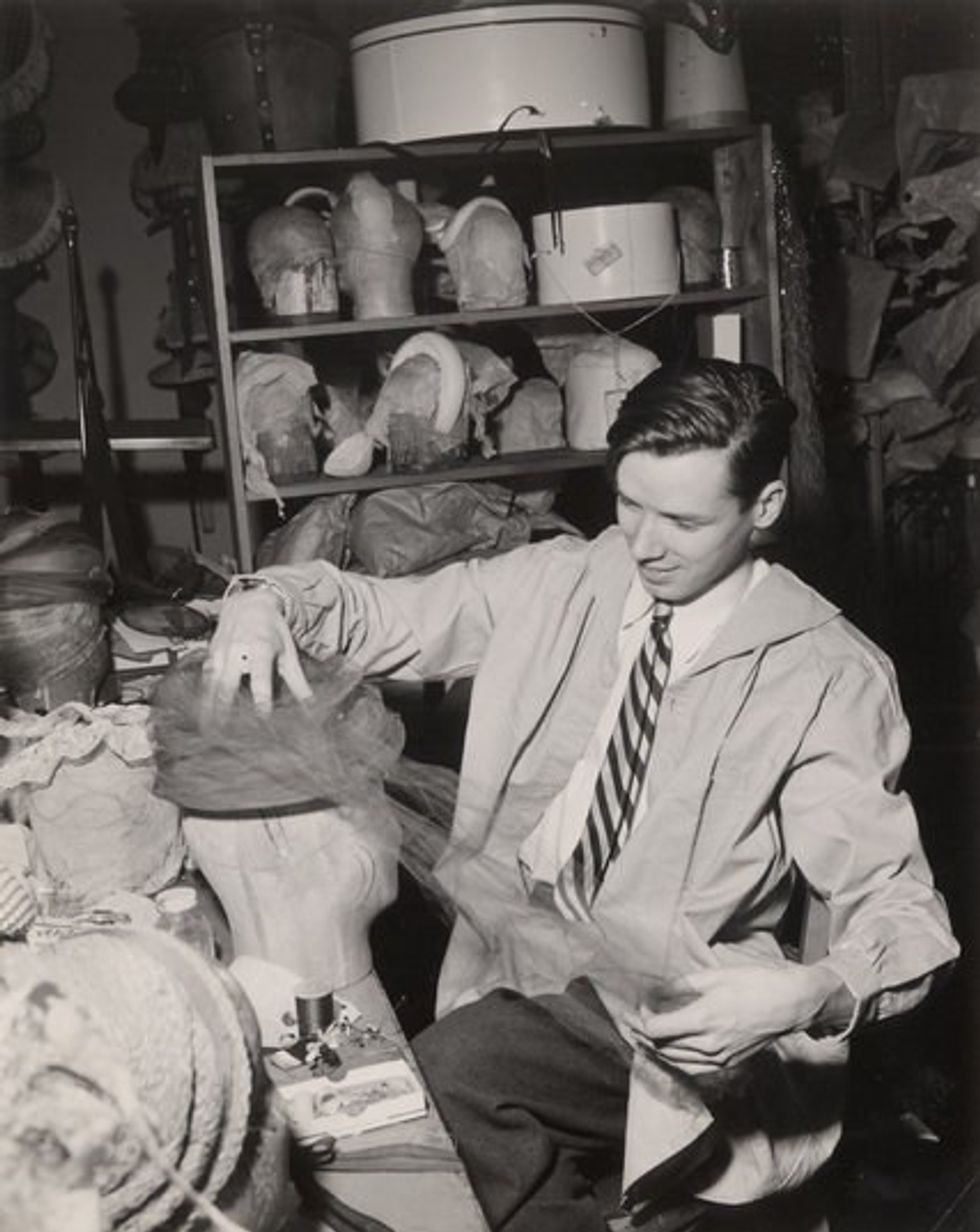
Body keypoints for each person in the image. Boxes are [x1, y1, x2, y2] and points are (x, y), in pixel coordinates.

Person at [204, 359, 959, 1231]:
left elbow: (902, 910)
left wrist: (816, 991)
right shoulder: (565, 579)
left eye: (684, 521)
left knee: (453, 1079)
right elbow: (382, 613)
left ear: (765, 507)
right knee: (358, 1105)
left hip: (672, 1004)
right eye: (629, 504)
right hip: (511, 955)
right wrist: (265, 601)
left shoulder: (827, 674)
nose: (645, 545)